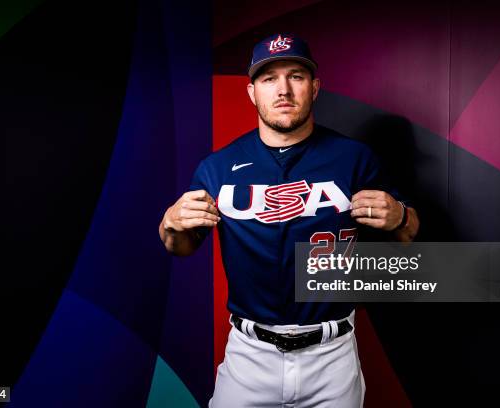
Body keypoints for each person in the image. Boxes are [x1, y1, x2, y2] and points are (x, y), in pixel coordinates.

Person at [159, 33, 419, 408]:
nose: (283, 89)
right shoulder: (217, 168)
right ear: (252, 92)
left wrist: (400, 215)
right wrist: (170, 223)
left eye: (296, 76)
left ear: (314, 87)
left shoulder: (354, 159)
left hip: (331, 355)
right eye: (268, 79)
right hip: (250, 355)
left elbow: (407, 235)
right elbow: (180, 246)